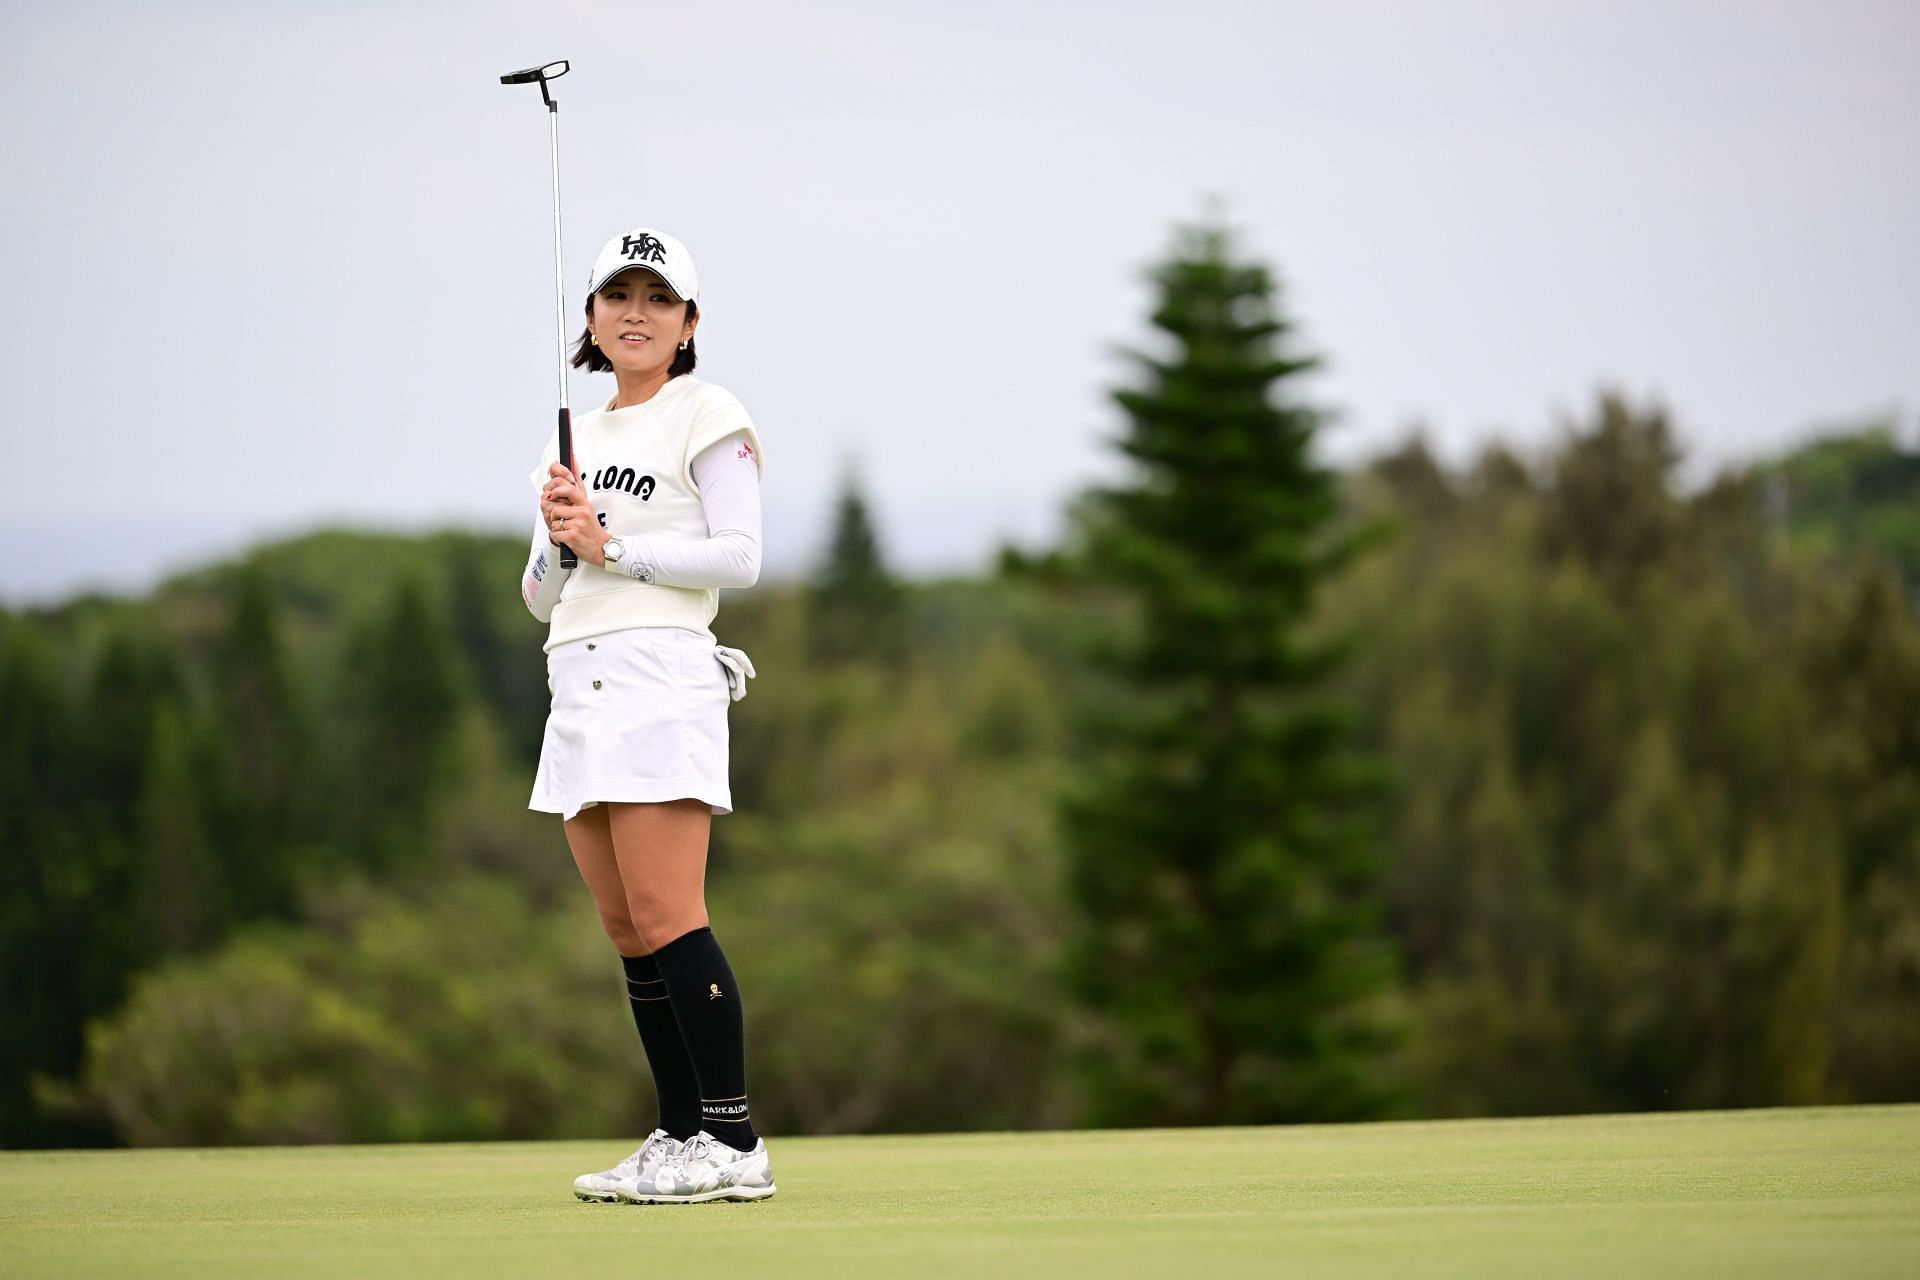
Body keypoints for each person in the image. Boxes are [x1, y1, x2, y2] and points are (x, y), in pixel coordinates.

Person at [520, 225, 774, 1204]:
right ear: (589, 319)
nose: (635, 312)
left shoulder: (709, 411)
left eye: (657, 298)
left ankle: (732, 1136)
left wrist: (611, 541)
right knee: (628, 926)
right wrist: (560, 538)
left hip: (659, 676)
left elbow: (740, 555)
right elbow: (541, 592)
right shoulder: (570, 436)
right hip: (576, 676)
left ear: (688, 322)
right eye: (616, 296)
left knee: (671, 914)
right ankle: (677, 1133)